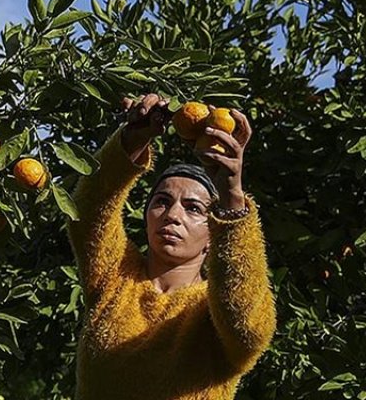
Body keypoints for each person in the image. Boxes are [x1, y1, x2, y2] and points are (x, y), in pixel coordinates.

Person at [68, 93, 277, 399]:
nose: (173, 215)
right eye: (162, 202)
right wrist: (133, 138)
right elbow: (88, 214)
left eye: (193, 208)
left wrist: (231, 197)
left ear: (214, 234)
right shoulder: (115, 279)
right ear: (146, 217)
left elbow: (248, 326)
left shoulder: (212, 312)